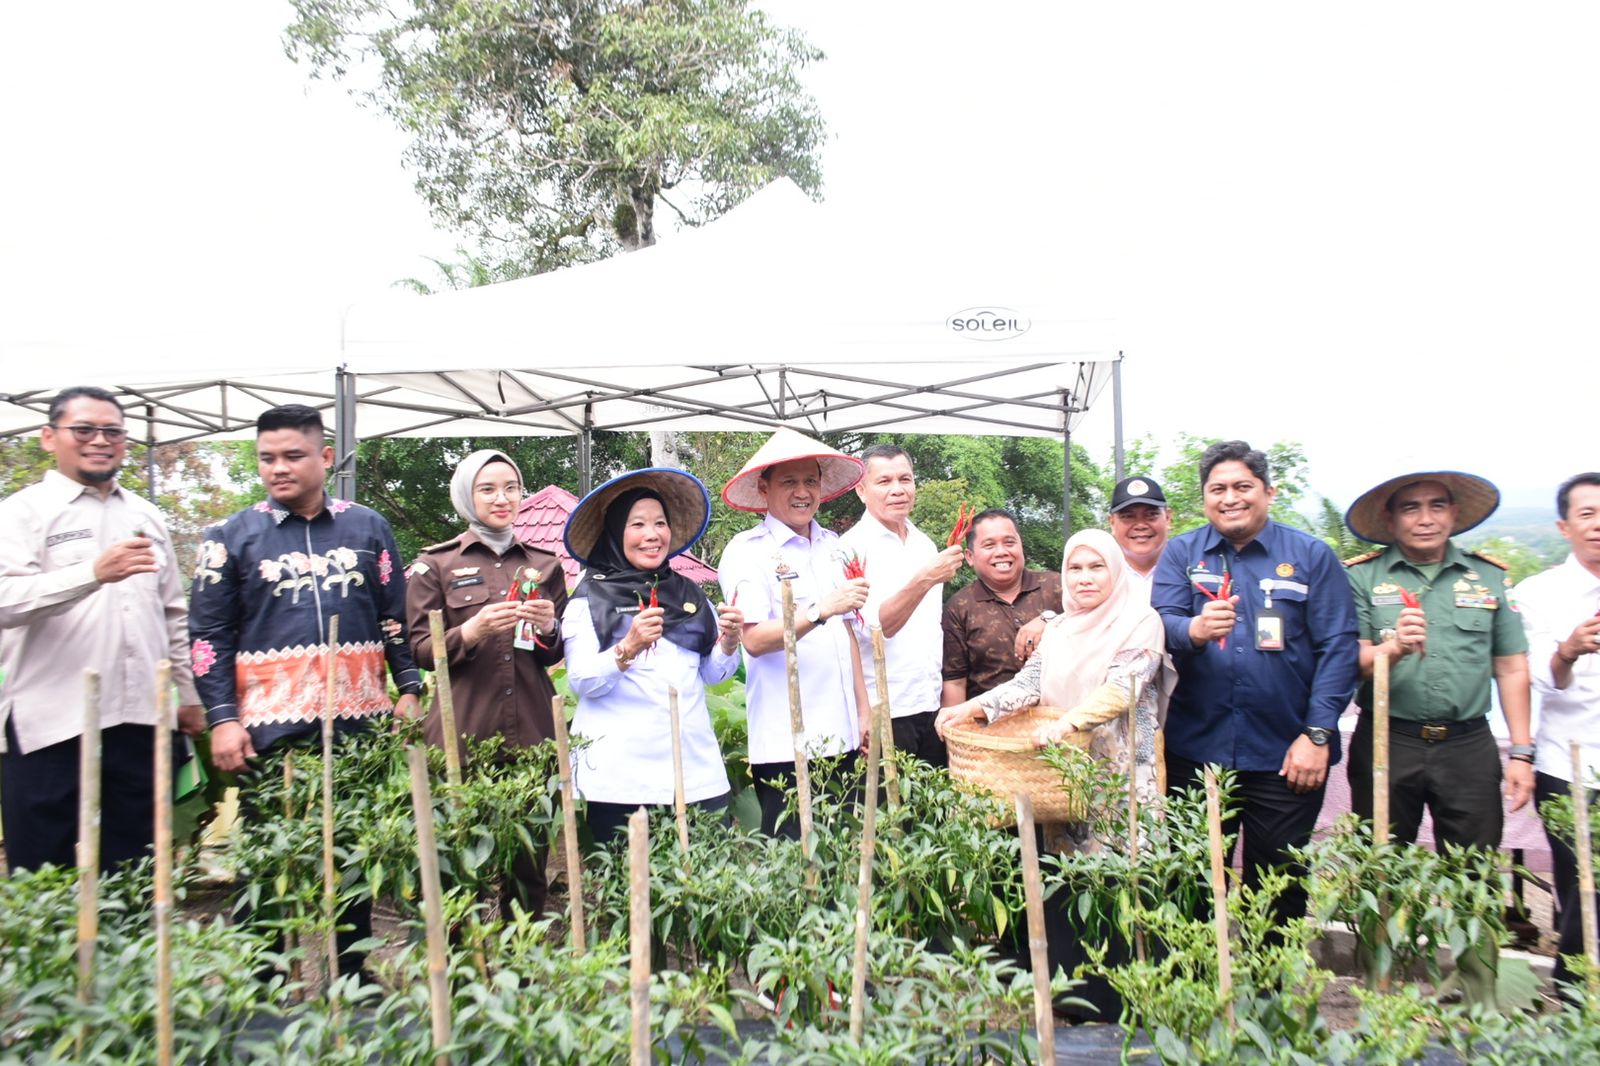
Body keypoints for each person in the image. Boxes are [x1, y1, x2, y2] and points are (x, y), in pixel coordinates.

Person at [188, 404, 422, 977]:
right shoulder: (229, 537)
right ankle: (265, 984)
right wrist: (222, 718)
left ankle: (354, 976)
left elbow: (394, 617)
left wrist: (409, 687)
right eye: (267, 458)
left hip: (359, 730)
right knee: (270, 863)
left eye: (292, 456)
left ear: (324, 457)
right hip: (270, 735)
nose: (278, 469)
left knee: (353, 857)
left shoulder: (368, 528)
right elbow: (207, 637)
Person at [936, 528, 1171, 1020]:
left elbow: (1123, 688)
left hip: (1118, 778)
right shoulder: (1061, 627)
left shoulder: (1140, 621)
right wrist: (975, 710)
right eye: (1075, 569)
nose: (1085, 578)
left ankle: (1129, 1005)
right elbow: (1028, 684)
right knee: (1068, 881)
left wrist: (1068, 722)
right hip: (1062, 778)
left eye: (1096, 567)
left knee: (1119, 880)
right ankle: (1076, 1004)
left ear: (1116, 570)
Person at [1342, 470, 1531, 1002]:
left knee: (1474, 873)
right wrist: (1393, 649)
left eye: (1436, 506)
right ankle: (1380, 989)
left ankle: (1477, 993)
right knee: (1379, 866)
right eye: (1410, 508)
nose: (1424, 518)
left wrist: (1522, 751)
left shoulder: (1488, 579)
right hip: (1387, 739)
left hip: (1468, 744)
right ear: (1390, 519)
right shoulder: (1363, 579)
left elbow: (1512, 668)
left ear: (1453, 513)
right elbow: (1347, 660)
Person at [1151, 440, 1359, 922]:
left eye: (1243, 487)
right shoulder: (1182, 554)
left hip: (1286, 758)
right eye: (1217, 489)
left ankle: (1270, 996)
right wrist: (1194, 630)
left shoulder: (1311, 556)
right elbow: (1161, 622)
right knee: (1193, 885)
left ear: (1268, 491)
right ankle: (1197, 992)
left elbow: (1339, 648)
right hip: (1196, 754)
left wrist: (1318, 734)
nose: (1230, 498)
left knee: (1279, 888)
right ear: (1203, 497)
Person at [0, 386, 204, 874]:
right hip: (51, 722)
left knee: (134, 869)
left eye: (112, 431)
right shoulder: (23, 512)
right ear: (49, 437)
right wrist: (93, 572)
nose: (100, 440)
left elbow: (172, 612)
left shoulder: (144, 515)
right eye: (84, 429)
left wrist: (189, 695)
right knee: (42, 876)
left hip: (139, 720)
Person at [406, 449, 566, 912]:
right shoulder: (434, 566)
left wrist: (548, 627)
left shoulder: (545, 563)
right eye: (488, 489)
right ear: (465, 495)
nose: (503, 498)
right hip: (462, 732)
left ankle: (523, 960)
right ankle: (461, 964)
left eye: (512, 488)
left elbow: (556, 652)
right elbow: (418, 649)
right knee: (457, 860)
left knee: (529, 861)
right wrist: (471, 630)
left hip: (532, 729)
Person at [560, 468, 744, 842]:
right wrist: (627, 648)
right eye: (637, 524)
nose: (652, 535)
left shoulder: (690, 594)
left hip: (694, 771)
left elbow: (711, 673)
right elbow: (581, 682)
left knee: (704, 885)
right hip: (620, 780)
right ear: (615, 533)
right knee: (627, 892)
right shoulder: (589, 600)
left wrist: (727, 642)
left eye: (660, 523)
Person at [716, 428, 872, 838]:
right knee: (793, 861)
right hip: (788, 741)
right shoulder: (747, 550)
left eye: (810, 481)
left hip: (844, 737)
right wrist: (820, 609)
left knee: (845, 852)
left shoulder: (835, 545)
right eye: (789, 482)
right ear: (764, 489)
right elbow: (753, 638)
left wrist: (864, 711)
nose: (803, 492)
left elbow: (849, 634)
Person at [1511, 472, 1600, 989]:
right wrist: (1567, 649)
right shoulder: (1540, 592)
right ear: (1564, 526)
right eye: (1587, 514)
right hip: (1572, 770)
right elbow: (1538, 677)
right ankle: (1575, 1014)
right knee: (1581, 895)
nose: (1598, 525)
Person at [840, 444, 963, 766]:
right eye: (884, 482)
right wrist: (924, 579)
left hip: (930, 701)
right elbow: (876, 630)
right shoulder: (849, 549)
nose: (898, 490)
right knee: (888, 813)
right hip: (885, 708)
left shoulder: (924, 543)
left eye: (905, 479)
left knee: (931, 812)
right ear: (861, 491)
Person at [940, 508, 1063, 706]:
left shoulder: (1057, 586)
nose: (1001, 552)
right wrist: (954, 731)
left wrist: (1049, 619)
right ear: (970, 557)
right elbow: (955, 681)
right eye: (989, 545)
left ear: (1021, 546)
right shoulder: (959, 607)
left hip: (1058, 723)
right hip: (990, 728)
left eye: (1009, 542)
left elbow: (1097, 620)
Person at [1108, 475, 1173, 595]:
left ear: (1168, 518)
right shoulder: (1100, 575)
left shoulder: (1191, 568)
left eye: (1151, 515)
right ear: (1112, 523)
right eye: (1128, 516)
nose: (1140, 525)